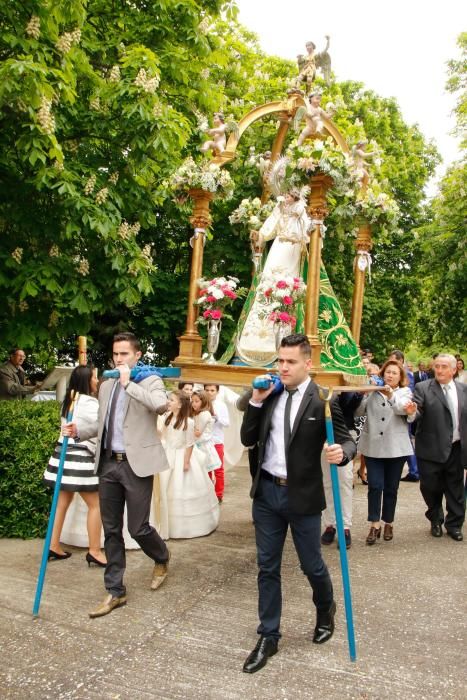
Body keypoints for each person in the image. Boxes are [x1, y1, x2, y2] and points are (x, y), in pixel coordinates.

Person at [240, 334, 356, 674]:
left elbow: (348, 439)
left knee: (312, 565)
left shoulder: (322, 399)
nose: (283, 367)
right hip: (266, 494)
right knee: (267, 567)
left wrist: (342, 453)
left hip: (302, 496)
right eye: (280, 360)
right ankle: (269, 635)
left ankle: (325, 607)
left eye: (290, 361)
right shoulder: (269, 393)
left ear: (307, 363)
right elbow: (248, 438)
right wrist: (257, 401)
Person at [63, 332, 170, 618]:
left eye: (125, 354)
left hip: (136, 466)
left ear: (137, 356)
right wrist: (79, 432)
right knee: (111, 530)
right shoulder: (107, 386)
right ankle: (115, 591)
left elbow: (161, 405)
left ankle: (161, 556)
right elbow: (102, 425)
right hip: (108, 464)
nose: (119, 359)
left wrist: (129, 384)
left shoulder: (150, 380)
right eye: (116, 354)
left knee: (137, 528)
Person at [43, 366, 106, 566]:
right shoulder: (90, 403)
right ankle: (95, 551)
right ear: (87, 381)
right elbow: (102, 426)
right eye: (95, 378)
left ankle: (53, 546)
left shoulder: (69, 400)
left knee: (61, 503)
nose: (97, 382)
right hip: (79, 457)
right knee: (96, 505)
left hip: (62, 454)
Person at [355, 359, 415, 544]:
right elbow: (358, 413)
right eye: (387, 372)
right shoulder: (373, 390)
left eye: (394, 373)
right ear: (382, 373)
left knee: (391, 488)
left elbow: (403, 411)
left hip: (396, 448)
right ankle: (374, 524)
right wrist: (362, 394)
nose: (390, 375)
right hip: (373, 446)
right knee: (375, 486)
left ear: (400, 377)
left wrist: (389, 394)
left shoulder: (404, 392)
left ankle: (388, 521)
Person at [412, 353, 466, 541]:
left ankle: (454, 525)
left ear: (454, 369)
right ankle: (435, 518)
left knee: (455, 489)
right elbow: (416, 411)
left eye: (444, 366)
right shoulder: (423, 388)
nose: (440, 370)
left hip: (456, 448)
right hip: (430, 448)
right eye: (437, 366)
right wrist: (411, 412)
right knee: (430, 487)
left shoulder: (463, 390)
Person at [157, 391, 219, 539]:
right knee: (165, 486)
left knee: (180, 487)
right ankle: (164, 522)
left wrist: (186, 462)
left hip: (181, 455)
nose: (168, 402)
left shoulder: (189, 422)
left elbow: (190, 443)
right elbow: (164, 436)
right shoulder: (167, 418)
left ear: (179, 404)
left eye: (171, 400)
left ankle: (185, 526)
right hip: (168, 453)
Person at [321, 391, 363, 550]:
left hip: (344, 437)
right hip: (322, 437)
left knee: (344, 482)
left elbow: (351, 405)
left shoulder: (346, 388)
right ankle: (329, 524)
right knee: (326, 483)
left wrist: (344, 391)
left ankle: (344, 527)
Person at [204, 384, 230, 502]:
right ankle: (207, 494)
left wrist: (217, 417)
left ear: (217, 392)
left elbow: (227, 423)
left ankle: (218, 494)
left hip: (217, 441)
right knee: (206, 468)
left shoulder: (221, 405)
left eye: (212, 390)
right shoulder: (200, 404)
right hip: (203, 441)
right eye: (207, 390)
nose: (210, 392)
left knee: (218, 469)